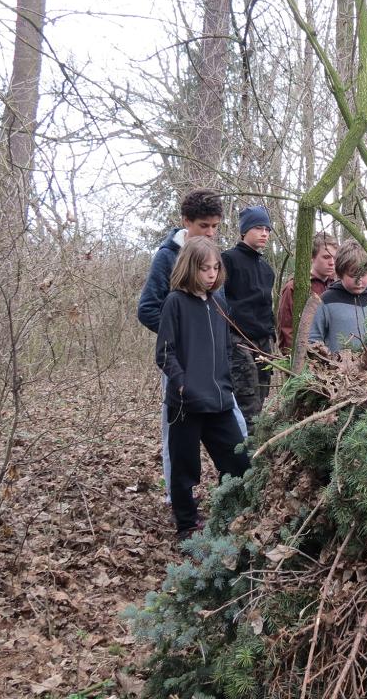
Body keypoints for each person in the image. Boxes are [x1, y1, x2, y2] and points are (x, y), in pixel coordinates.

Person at [137, 189, 247, 504]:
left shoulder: (212, 260)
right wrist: (186, 341)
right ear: (186, 222)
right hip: (180, 365)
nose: (211, 232)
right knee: (178, 439)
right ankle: (178, 500)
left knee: (235, 429)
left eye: (215, 226)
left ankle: (237, 497)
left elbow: (219, 310)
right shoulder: (167, 256)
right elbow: (147, 309)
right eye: (203, 226)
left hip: (216, 371)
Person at [155, 237, 251, 542]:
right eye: (204, 268)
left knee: (237, 461)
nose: (211, 274)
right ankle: (186, 525)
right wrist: (182, 384)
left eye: (215, 267)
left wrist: (227, 382)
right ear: (189, 268)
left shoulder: (219, 304)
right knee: (184, 469)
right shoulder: (175, 302)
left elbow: (225, 347)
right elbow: (165, 352)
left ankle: (233, 514)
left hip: (219, 399)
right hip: (186, 404)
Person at [221, 206, 276, 432]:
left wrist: (271, 336)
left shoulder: (266, 268)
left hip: (264, 344)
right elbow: (218, 301)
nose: (264, 233)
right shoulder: (228, 260)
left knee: (261, 401)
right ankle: (245, 459)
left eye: (267, 229)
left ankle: (255, 453)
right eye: (258, 228)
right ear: (244, 231)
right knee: (247, 404)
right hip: (238, 341)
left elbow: (267, 305)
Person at [308, 240, 367, 352]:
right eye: (353, 275)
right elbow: (313, 339)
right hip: (338, 367)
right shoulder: (327, 300)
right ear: (340, 273)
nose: (359, 281)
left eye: (363, 274)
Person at [276, 231, 338, 353]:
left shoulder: (337, 285)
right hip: (305, 357)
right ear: (312, 257)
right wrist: (294, 358)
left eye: (334, 257)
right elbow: (287, 330)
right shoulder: (294, 287)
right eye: (326, 257)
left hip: (335, 359)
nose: (332, 262)